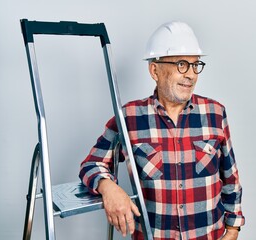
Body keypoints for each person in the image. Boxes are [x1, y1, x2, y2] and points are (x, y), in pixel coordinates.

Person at [79, 21, 245, 240]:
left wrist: (233, 230)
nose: (191, 75)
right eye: (182, 65)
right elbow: (91, 164)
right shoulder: (129, 118)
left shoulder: (215, 113)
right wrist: (108, 187)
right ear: (155, 70)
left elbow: (230, 179)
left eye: (196, 65)